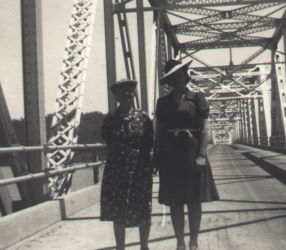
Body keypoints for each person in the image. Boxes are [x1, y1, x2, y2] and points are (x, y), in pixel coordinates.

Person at [153, 59, 219, 250]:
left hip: (192, 152)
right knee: (175, 201)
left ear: (185, 76)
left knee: (194, 200)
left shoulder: (197, 98)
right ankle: (180, 242)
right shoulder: (163, 102)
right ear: (169, 80)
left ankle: (194, 241)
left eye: (179, 75)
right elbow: (160, 131)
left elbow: (205, 128)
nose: (177, 80)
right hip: (170, 154)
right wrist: (156, 157)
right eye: (172, 77)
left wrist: (202, 154)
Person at [100, 79, 154, 250]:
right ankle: (120, 247)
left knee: (143, 206)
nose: (128, 96)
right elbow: (107, 140)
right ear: (116, 96)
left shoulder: (144, 118)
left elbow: (149, 142)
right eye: (123, 93)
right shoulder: (110, 120)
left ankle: (144, 246)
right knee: (118, 208)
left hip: (139, 168)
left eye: (130, 92)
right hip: (117, 169)